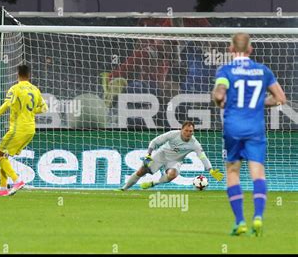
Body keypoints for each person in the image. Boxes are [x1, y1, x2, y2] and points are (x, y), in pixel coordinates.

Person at [212, 32, 286, 236]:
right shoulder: (263, 71)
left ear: (231, 49)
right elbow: (280, 98)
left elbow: (219, 94)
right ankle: (259, 217)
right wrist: (259, 102)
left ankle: (240, 221)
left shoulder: (226, 70)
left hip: (233, 128)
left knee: (233, 171)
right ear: (250, 49)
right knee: (258, 172)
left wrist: (220, 101)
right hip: (255, 128)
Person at [0, 65, 48, 196]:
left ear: (18, 74)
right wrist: (30, 111)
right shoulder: (35, 89)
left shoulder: (15, 89)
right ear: (29, 75)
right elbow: (44, 108)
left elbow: (6, 104)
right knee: (4, 156)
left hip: (17, 129)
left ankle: (17, 181)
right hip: (30, 129)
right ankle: (3, 188)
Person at [120, 121, 223, 190]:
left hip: (175, 161)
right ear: (181, 130)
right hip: (162, 155)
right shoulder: (173, 134)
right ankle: (123, 188)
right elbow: (154, 142)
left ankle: (153, 183)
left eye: (190, 131)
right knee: (141, 171)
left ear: (193, 132)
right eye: (186, 130)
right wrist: (148, 155)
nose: (188, 133)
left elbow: (202, 157)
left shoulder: (194, 144)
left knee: (172, 175)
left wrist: (210, 169)